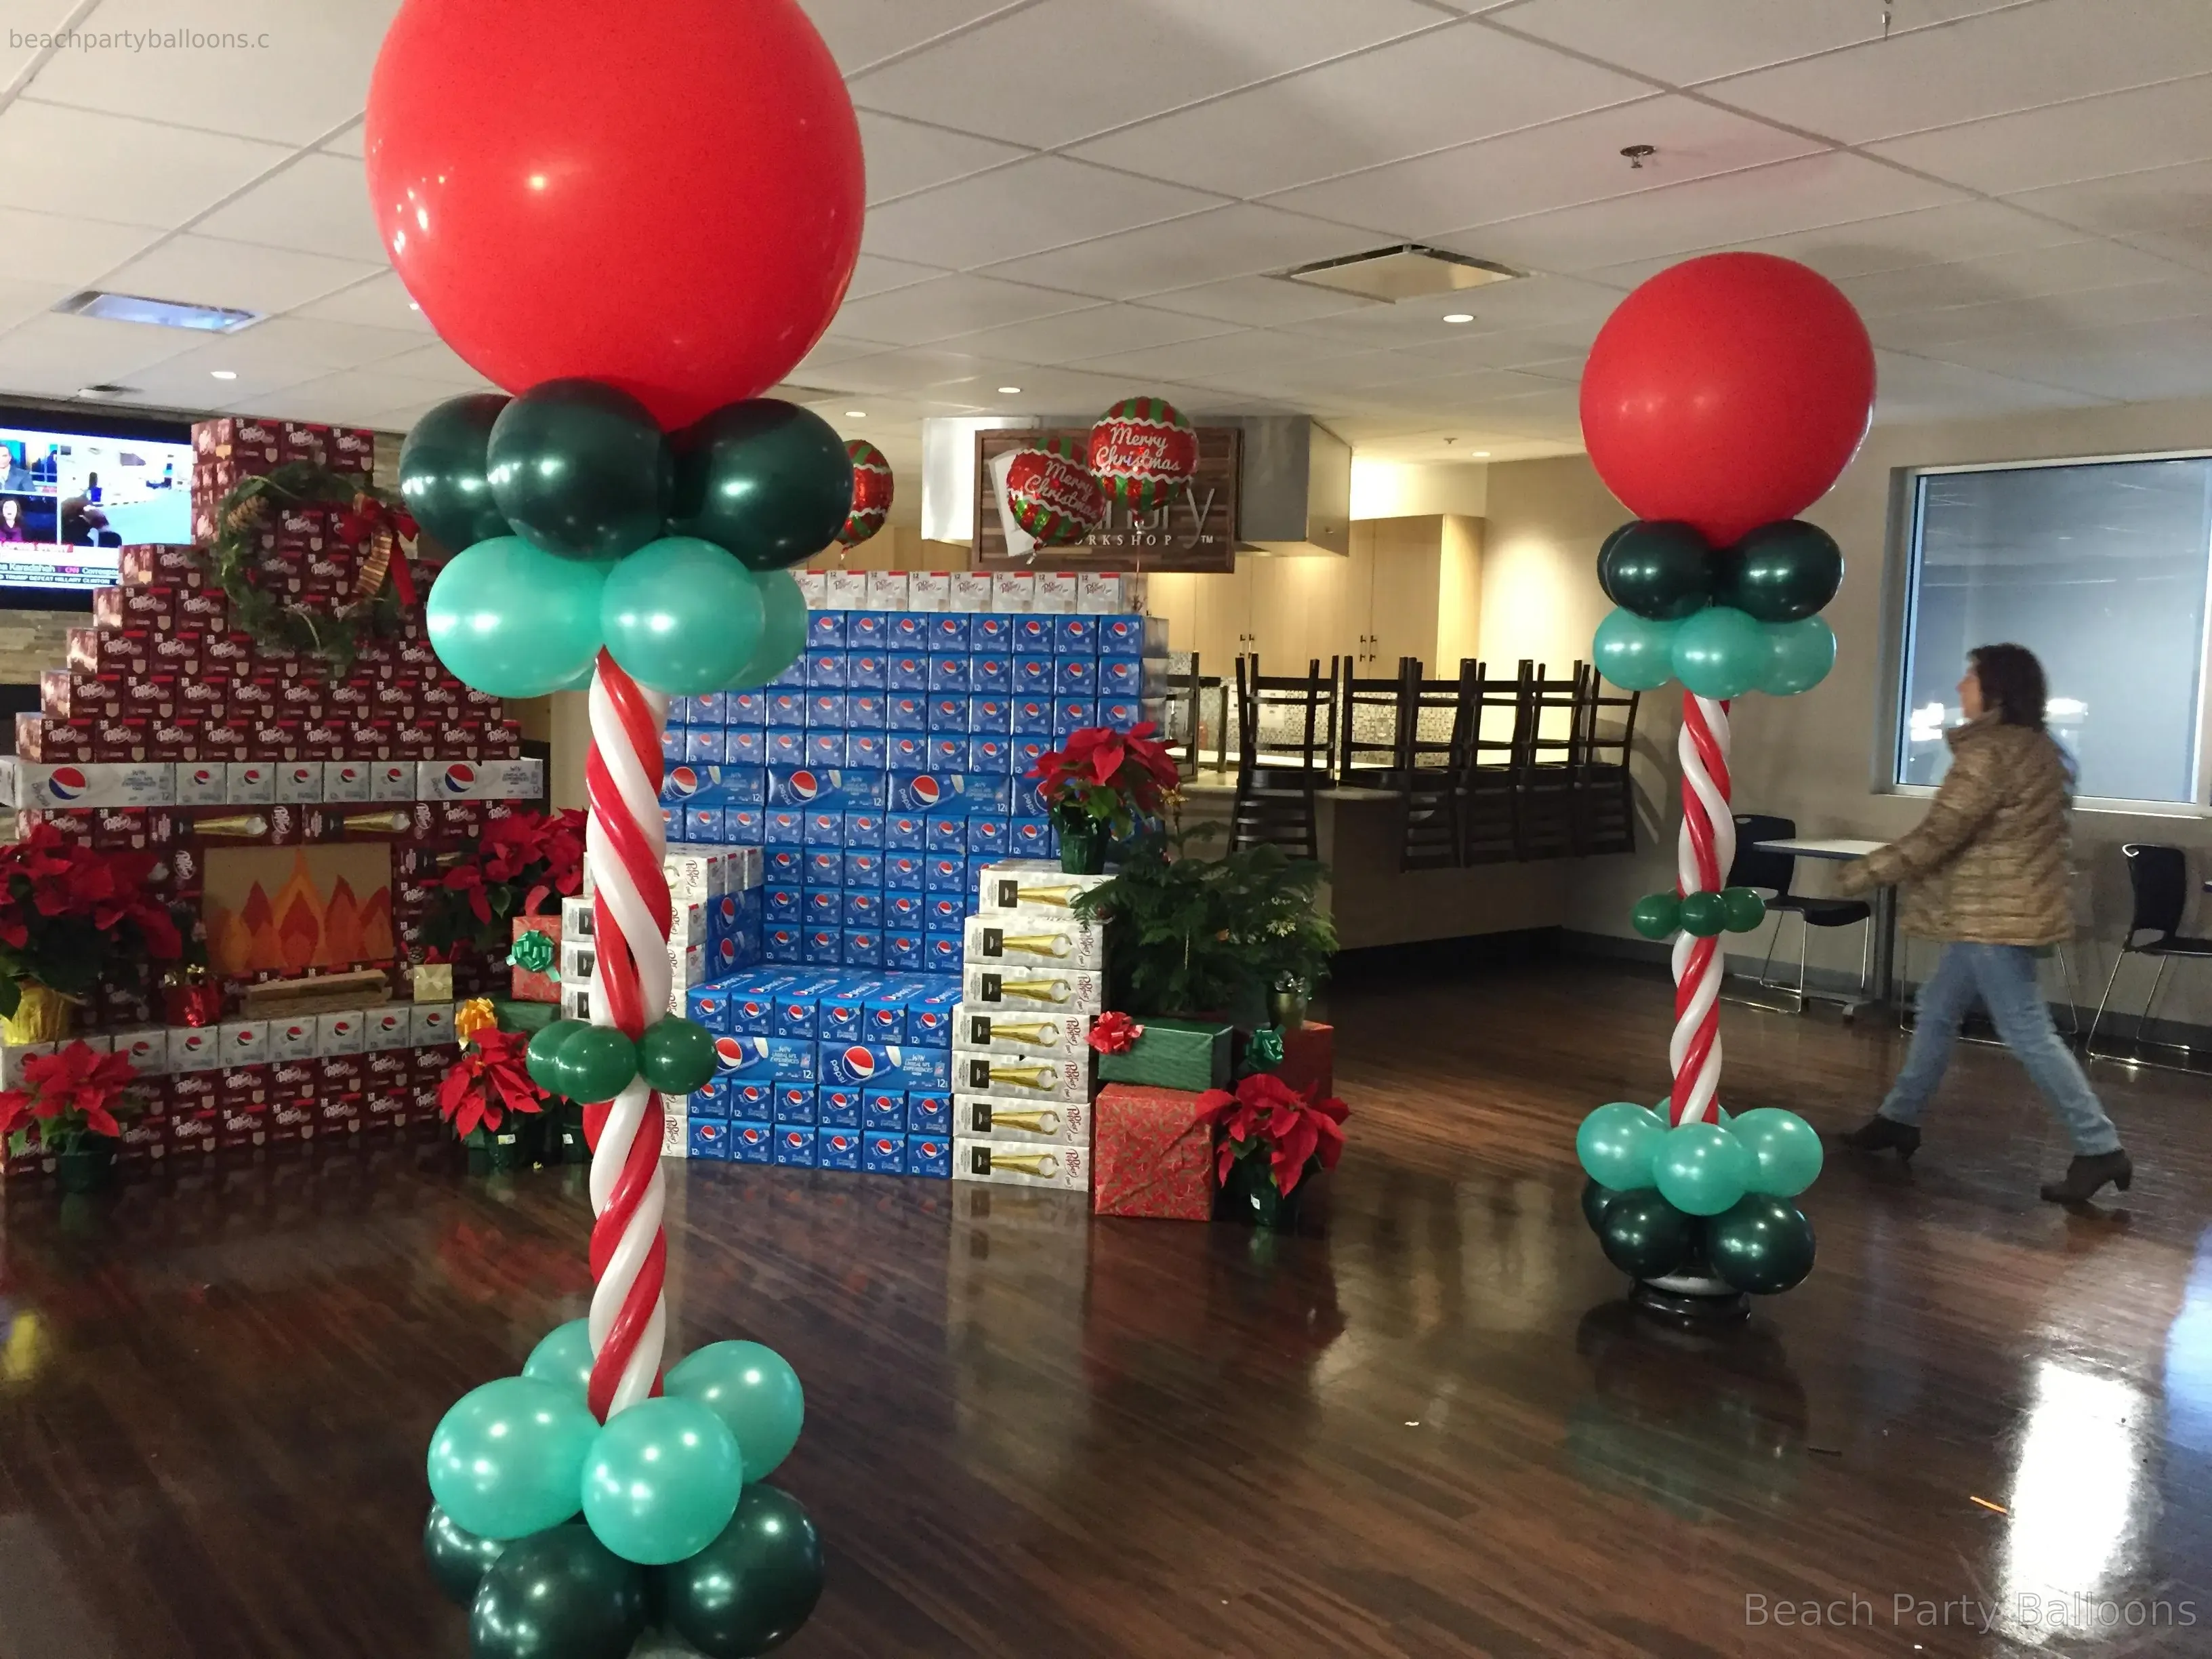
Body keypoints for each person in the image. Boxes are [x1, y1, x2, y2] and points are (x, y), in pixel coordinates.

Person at [1832, 643, 2130, 1204]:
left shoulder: (1992, 752)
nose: (1959, 687)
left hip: (1993, 916)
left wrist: (1863, 873)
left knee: (2026, 1030)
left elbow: (1941, 833)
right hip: (2005, 909)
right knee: (1938, 1008)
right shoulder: (2043, 748)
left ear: (1996, 689)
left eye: (1969, 677)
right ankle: (1899, 1117)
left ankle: (2098, 1146)